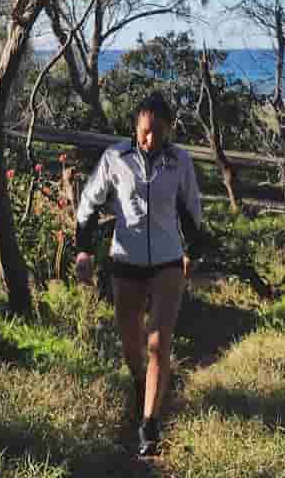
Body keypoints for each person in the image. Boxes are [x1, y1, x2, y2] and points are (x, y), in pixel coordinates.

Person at [73, 92, 207, 457]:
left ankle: (150, 423)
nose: (152, 140)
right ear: (136, 127)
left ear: (169, 130)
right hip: (125, 260)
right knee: (131, 342)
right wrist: (83, 249)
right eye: (147, 132)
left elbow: (191, 206)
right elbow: (89, 203)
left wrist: (193, 252)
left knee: (158, 343)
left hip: (167, 261)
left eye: (160, 133)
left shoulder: (179, 161)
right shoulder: (116, 158)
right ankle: (139, 382)